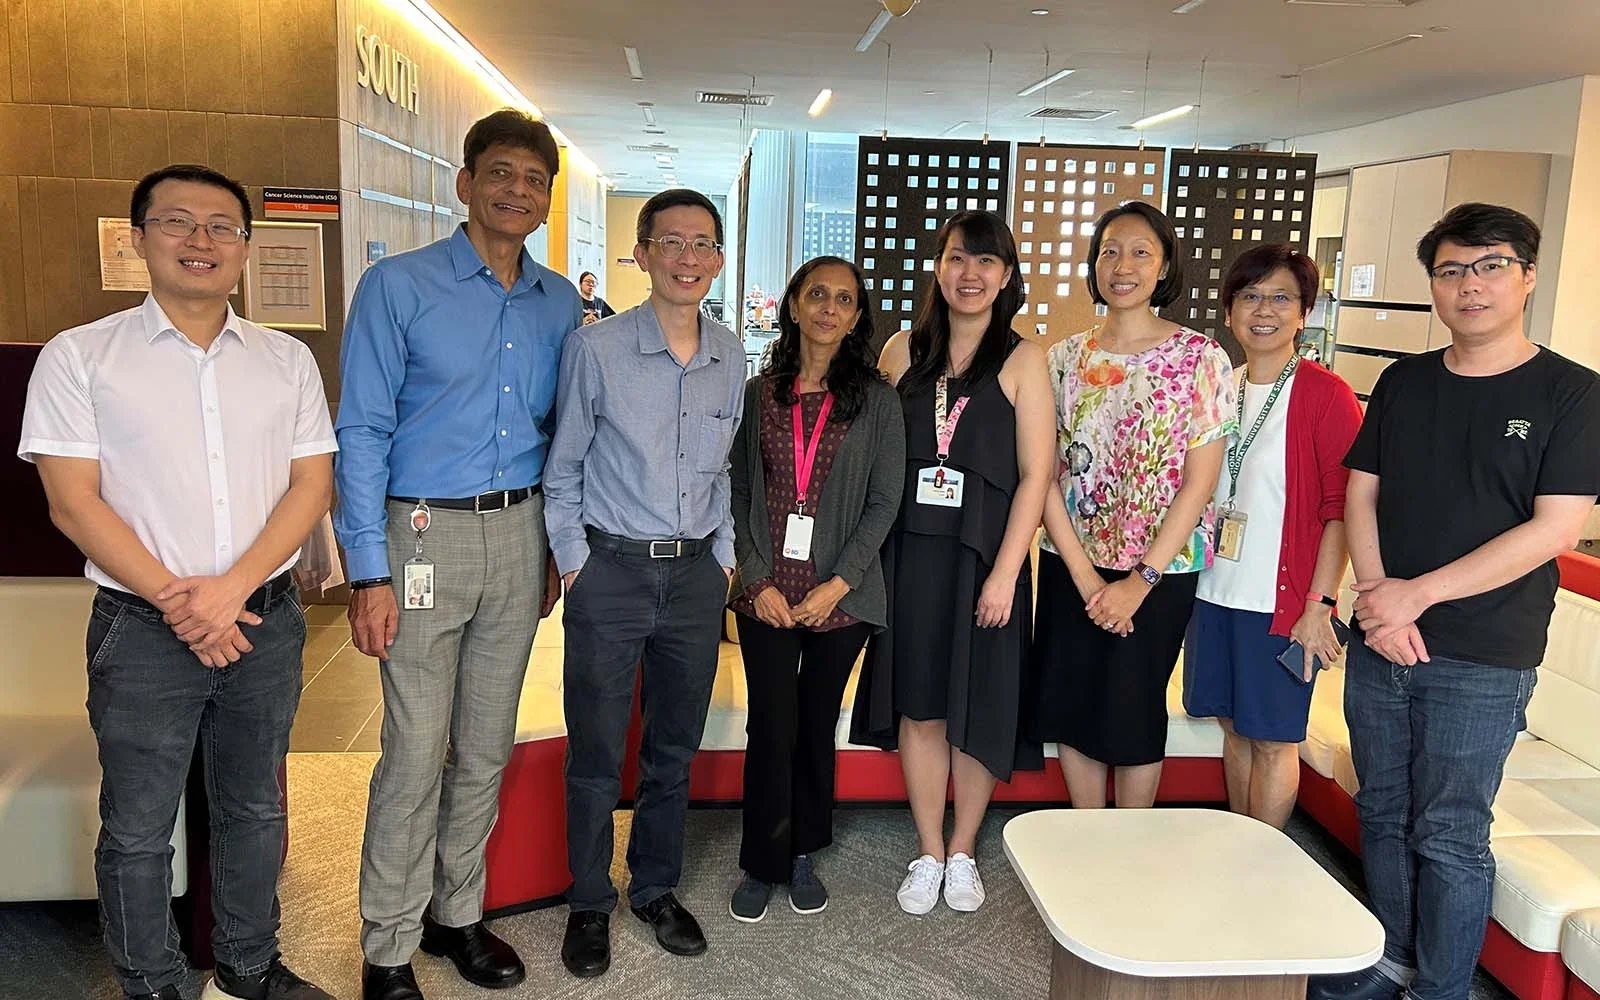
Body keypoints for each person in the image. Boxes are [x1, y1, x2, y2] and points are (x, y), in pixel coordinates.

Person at [18, 164, 336, 1000]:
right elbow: (71, 503)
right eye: (177, 223)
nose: (201, 241)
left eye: (221, 227)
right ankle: (152, 983)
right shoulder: (80, 357)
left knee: (254, 808)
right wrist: (184, 601)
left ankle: (249, 964)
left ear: (244, 249)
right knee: (137, 827)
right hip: (141, 628)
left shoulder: (286, 360)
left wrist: (230, 590)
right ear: (137, 238)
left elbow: (311, 487)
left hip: (262, 618)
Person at [1308, 205, 1600, 1000]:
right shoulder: (1404, 382)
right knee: (1383, 810)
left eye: (1490, 266)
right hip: (1381, 640)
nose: (1470, 286)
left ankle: (1441, 988)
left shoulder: (1572, 393)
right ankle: (1391, 958)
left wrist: (1414, 598)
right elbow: (1360, 495)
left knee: (1451, 833)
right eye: (1451, 270)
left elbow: (1554, 531)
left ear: (1527, 276)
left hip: (1482, 653)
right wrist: (1376, 600)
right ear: (1433, 283)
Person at [334, 109, 578, 1000]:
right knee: (413, 748)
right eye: (503, 173)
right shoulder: (398, 287)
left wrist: (555, 545)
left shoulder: (560, 304)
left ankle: (455, 915)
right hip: (420, 532)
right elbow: (359, 428)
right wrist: (367, 570)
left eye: (535, 180)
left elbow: (564, 436)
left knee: (486, 744)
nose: (519, 191)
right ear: (465, 182)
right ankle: (388, 944)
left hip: (519, 531)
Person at [544, 189, 745, 978]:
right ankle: (590, 898)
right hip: (611, 571)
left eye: (703, 244)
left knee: (673, 748)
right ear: (642, 254)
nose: (688, 258)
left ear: (719, 259)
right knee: (595, 750)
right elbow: (563, 468)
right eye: (671, 242)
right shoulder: (596, 351)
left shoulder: (730, 353)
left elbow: (724, 472)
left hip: (696, 576)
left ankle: (654, 887)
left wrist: (724, 558)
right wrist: (574, 564)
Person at [851, 210, 1055, 915]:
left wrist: (1006, 571)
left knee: (980, 703)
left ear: (1006, 276)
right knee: (921, 705)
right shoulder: (903, 351)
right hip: (909, 557)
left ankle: (964, 849)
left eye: (987, 262)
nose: (971, 274)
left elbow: (1037, 475)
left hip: (985, 563)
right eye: (958, 258)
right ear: (938, 266)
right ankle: (928, 849)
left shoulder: (1026, 359)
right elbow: (873, 462)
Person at [1032, 201, 1235, 811]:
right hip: (1075, 563)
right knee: (1074, 703)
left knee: (1135, 703)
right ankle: (1090, 832)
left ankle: (1130, 842)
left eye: (1141, 251)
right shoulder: (1062, 359)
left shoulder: (1203, 358)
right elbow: (1043, 472)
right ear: (1094, 264)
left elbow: (1200, 481)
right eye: (1110, 251)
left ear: (1165, 265)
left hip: (1162, 571)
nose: (1123, 265)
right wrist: (1087, 576)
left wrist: (1139, 581)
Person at [725, 256, 905, 922]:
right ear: (794, 304)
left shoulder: (879, 399)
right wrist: (755, 574)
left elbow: (886, 500)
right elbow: (739, 488)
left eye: (846, 299)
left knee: (813, 725)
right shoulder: (757, 392)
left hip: (841, 597)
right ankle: (761, 859)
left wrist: (840, 582)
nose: (830, 308)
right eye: (818, 295)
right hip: (767, 593)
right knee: (771, 723)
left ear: (857, 316)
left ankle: (803, 848)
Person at [1181, 244, 1363, 829]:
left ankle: (1268, 861)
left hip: (1282, 606)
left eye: (1281, 297)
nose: (1265, 310)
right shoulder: (1219, 388)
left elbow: (1341, 510)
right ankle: (1240, 844)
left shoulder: (1324, 393)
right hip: (1213, 591)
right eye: (1250, 296)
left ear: (1304, 312)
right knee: (1233, 730)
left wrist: (1320, 605)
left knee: (1272, 740)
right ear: (1229, 311)